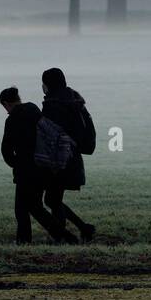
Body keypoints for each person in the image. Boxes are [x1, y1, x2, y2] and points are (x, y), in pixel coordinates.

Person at [0, 86, 76, 244]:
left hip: (25, 171)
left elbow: (6, 150)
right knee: (35, 207)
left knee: (23, 209)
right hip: (44, 167)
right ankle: (64, 237)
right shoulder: (33, 109)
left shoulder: (12, 119)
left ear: (6, 103)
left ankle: (26, 241)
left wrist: (15, 164)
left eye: (4, 106)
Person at [40, 68, 97, 242]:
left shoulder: (53, 105)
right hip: (73, 157)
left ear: (47, 85)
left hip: (59, 159)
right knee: (53, 199)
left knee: (52, 199)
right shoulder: (73, 100)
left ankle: (63, 236)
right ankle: (81, 229)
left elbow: (50, 134)